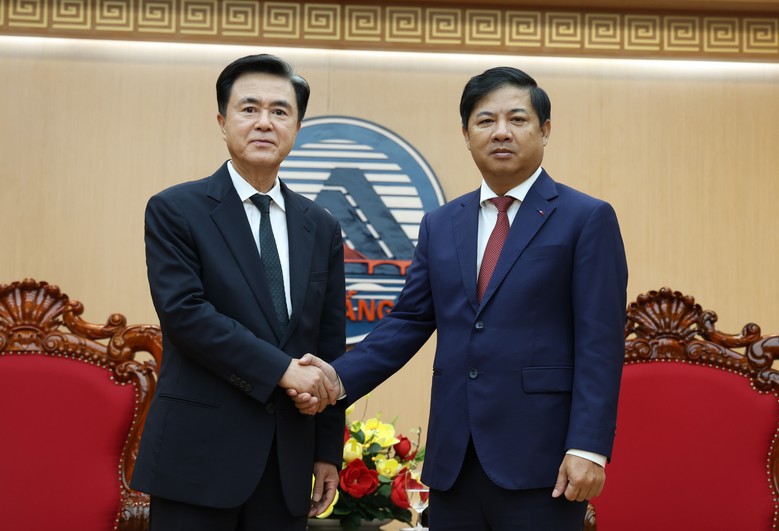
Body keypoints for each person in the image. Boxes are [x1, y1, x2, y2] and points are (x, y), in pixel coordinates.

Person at [291, 66, 628, 530]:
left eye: (518, 119)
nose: (501, 132)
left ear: (545, 130)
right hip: (454, 462)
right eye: (485, 121)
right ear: (467, 135)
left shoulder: (586, 218)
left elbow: (600, 343)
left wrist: (588, 446)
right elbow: (408, 321)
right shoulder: (441, 224)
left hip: (543, 462)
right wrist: (335, 377)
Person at [131, 54, 345, 531]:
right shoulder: (176, 210)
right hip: (198, 458)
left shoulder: (321, 226)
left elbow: (328, 344)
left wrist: (327, 448)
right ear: (222, 122)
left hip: (287, 461)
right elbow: (186, 315)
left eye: (280, 111)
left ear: (297, 127)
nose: (265, 122)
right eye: (249, 109)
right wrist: (282, 370)